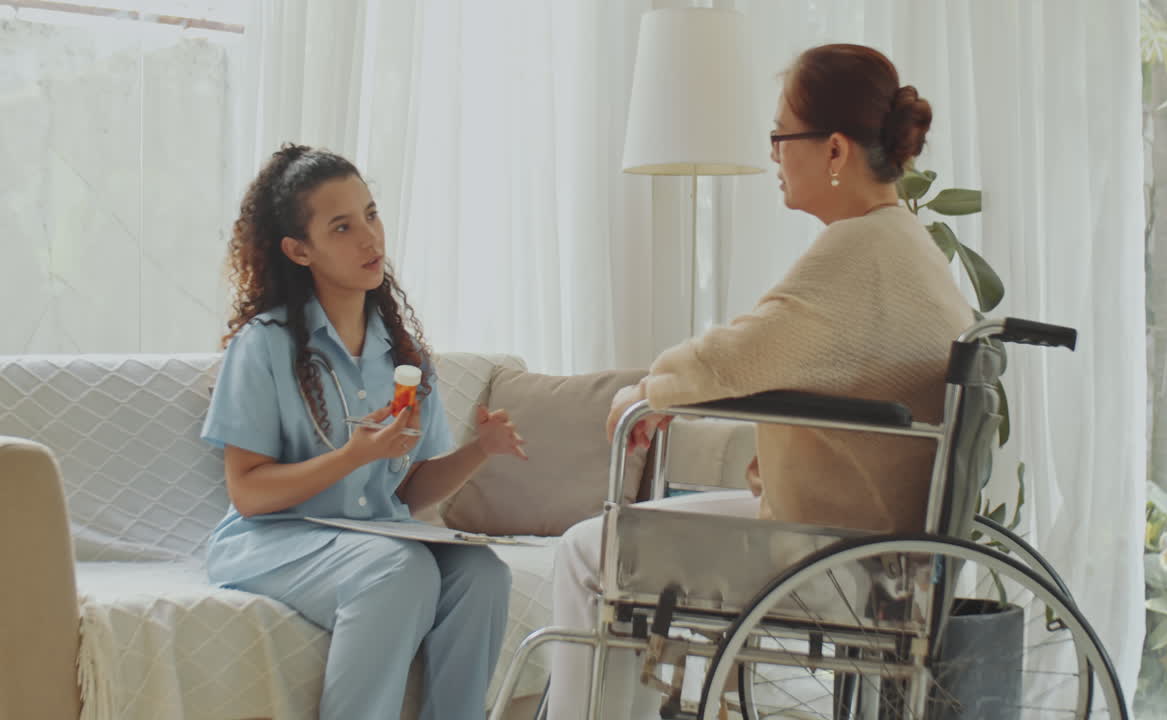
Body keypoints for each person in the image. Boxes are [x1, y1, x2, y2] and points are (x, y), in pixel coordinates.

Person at [548, 43, 975, 719]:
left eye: (780, 136)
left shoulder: (859, 250)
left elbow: (739, 355)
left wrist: (646, 393)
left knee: (583, 552)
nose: (773, 154)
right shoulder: (900, 241)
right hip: (881, 551)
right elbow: (770, 349)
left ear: (834, 152)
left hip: (839, 559)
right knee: (610, 544)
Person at [201, 144, 527, 720]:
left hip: (376, 537)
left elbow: (408, 493)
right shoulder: (265, 345)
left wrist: (482, 450)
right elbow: (248, 493)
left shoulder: (403, 357)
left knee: (482, 576)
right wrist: (352, 456)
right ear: (300, 250)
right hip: (276, 541)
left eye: (371, 215)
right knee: (398, 572)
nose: (370, 239)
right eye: (343, 227)